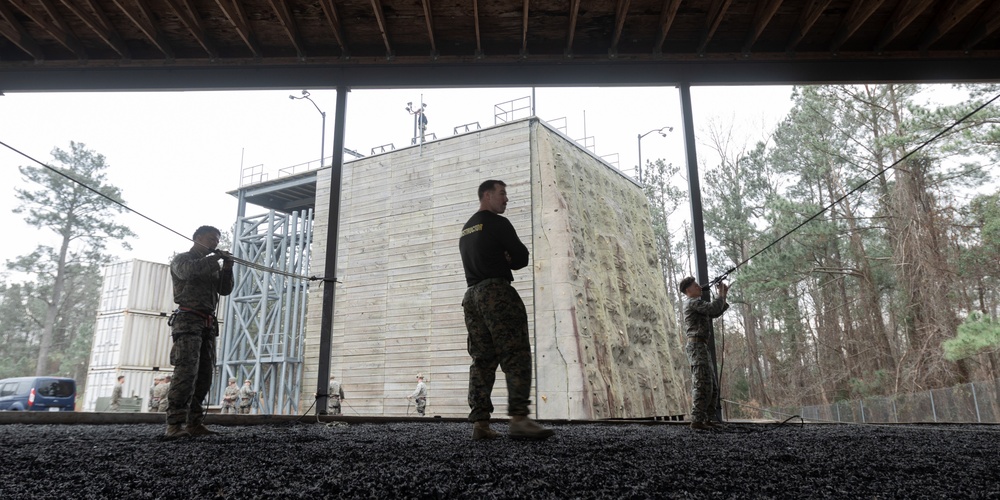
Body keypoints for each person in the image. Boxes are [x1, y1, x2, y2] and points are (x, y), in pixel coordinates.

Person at [459, 180, 554, 441]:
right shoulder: (498, 223)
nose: (506, 199)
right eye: (502, 194)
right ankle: (519, 420)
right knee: (515, 353)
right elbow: (521, 258)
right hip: (497, 293)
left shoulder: (467, 229)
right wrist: (507, 258)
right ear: (487, 195)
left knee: (482, 360)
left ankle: (480, 424)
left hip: (471, 297)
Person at [164, 225, 234, 439]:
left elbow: (225, 290)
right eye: (210, 238)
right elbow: (190, 271)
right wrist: (215, 259)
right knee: (186, 372)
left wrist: (227, 267)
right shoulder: (182, 260)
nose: (214, 243)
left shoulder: (211, 266)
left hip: (207, 323)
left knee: (204, 374)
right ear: (197, 238)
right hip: (188, 321)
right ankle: (174, 424)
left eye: (216, 240)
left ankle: (194, 423)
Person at [679, 276, 730, 430]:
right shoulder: (692, 302)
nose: (699, 287)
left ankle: (707, 419)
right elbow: (713, 309)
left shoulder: (697, 303)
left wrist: (723, 295)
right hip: (696, 346)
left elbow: (714, 312)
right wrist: (721, 295)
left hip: (701, 346)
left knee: (712, 385)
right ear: (688, 290)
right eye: (696, 286)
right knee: (702, 383)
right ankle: (697, 421)